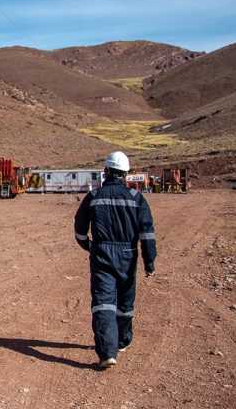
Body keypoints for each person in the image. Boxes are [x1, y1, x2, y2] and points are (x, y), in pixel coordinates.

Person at [74, 151, 158, 369]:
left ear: (106, 171)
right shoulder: (136, 198)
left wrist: (89, 246)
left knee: (103, 303)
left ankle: (107, 352)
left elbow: (80, 230)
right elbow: (147, 233)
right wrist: (150, 261)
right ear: (126, 174)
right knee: (125, 302)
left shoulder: (93, 197)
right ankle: (122, 341)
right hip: (128, 256)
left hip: (101, 255)